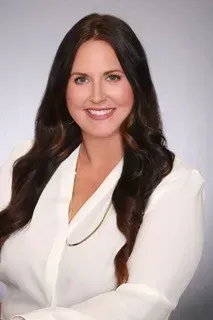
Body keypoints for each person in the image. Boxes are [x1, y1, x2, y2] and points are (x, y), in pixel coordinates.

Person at [0, 13, 204, 320]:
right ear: (63, 89)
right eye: (81, 79)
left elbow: (145, 301)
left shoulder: (175, 184)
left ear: (136, 84)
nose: (97, 96)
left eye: (113, 77)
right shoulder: (24, 162)